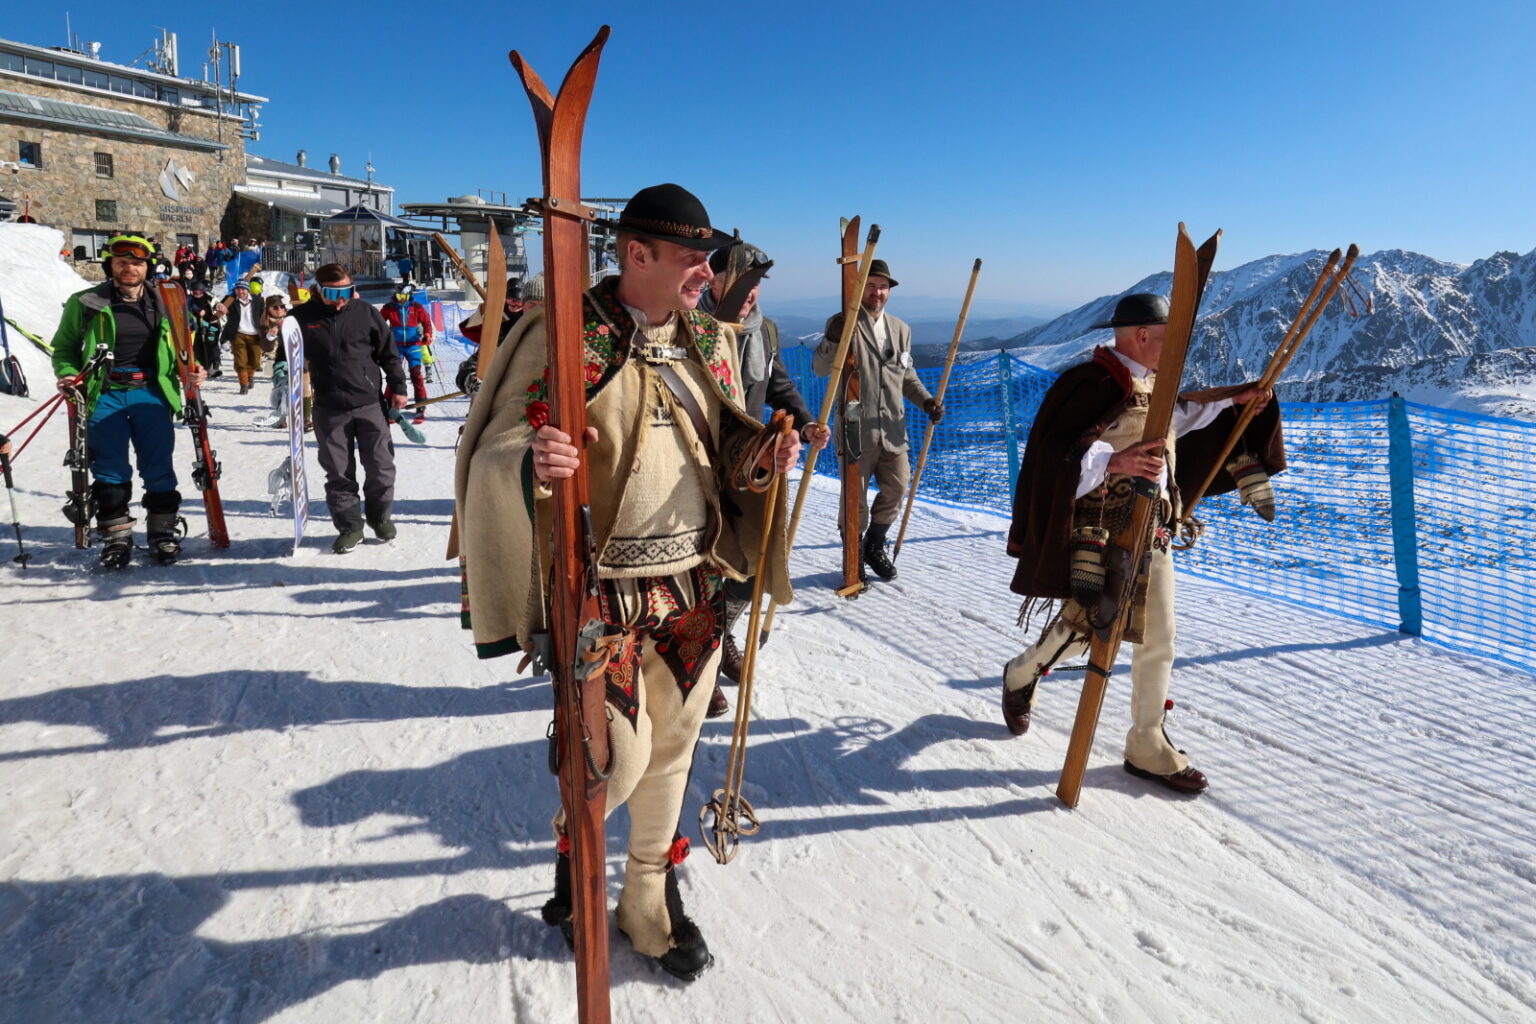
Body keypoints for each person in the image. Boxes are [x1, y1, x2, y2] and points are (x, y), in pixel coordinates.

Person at [456, 183, 799, 981]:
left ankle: (647, 899)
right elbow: (496, 446)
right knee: (616, 762)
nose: (706, 275)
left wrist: (763, 460)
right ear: (636, 254)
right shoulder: (563, 335)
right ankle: (576, 856)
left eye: (709, 260)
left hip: (692, 594)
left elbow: (722, 449)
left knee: (675, 753)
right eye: (691, 259)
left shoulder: (710, 343)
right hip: (598, 595)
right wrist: (535, 460)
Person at [1001, 292, 1280, 794]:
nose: (1178, 345)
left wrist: (1233, 403)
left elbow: (1176, 420)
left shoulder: (1154, 382)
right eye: (1169, 334)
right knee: (1085, 627)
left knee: (1159, 635)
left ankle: (1146, 742)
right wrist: (1116, 462)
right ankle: (1022, 673)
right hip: (1102, 529)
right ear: (1144, 335)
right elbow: (1053, 454)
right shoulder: (1089, 383)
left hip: (1155, 529)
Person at [698, 241, 830, 695]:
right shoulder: (690, 325)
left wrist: (808, 423)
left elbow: (779, 385)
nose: (749, 293)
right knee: (702, 565)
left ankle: (716, 637)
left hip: (750, 467)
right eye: (740, 282)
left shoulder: (765, 332)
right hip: (695, 463)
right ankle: (697, 659)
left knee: (748, 562)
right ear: (712, 279)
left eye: (755, 284)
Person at [49, 234, 206, 568]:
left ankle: (162, 534)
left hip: (151, 392)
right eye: (122, 262)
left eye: (136, 262)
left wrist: (192, 371)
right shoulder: (86, 302)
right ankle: (117, 537)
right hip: (104, 393)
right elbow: (63, 348)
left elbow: (184, 346)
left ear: (147, 266)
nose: (129, 268)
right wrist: (67, 373)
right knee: (109, 467)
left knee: (157, 464)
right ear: (111, 265)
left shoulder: (167, 302)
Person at [812, 258, 941, 582]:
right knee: (853, 500)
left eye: (882, 287)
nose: (877, 292)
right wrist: (832, 337)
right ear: (858, 288)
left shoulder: (901, 329)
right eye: (871, 285)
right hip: (856, 426)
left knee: (897, 488)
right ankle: (852, 556)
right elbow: (820, 367)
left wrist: (926, 401)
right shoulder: (842, 323)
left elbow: (907, 376)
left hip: (893, 430)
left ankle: (874, 544)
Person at [293, 263, 408, 553]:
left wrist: (399, 388)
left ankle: (379, 517)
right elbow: (283, 351)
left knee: (381, 467)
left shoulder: (366, 313)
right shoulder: (302, 318)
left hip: (369, 403)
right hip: (329, 408)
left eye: (347, 290)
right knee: (339, 473)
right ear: (319, 290)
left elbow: (388, 354)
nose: (341, 297)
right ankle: (351, 527)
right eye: (334, 292)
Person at [455, 274, 538, 395]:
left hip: (522, 362)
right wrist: (482, 313)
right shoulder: (497, 314)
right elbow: (468, 330)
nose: (515, 305)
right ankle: (479, 388)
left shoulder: (530, 318)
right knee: (469, 368)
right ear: (505, 298)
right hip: (497, 354)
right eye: (511, 300)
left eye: (519, 301)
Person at [381, 286, 435, 423]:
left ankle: (420, 407)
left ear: (409, 296)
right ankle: (390, 407)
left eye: (404, 297)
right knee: (394, 376)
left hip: (413, 345)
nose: (401, 300)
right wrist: (382, 338)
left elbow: (427, 322)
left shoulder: (416, 307)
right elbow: (379, 324)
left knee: (416, 374)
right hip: (396, 346)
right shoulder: (389, 308)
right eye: (399, 297)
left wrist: (427, 334)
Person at [218, 280, 263, 394]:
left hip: (255, 334)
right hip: (238, 333)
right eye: (238, 289)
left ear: (248, 290)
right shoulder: (230, 300)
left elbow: (263, 315)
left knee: (255, 361)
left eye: (243, 289)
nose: (241, 291)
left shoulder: (258, 300)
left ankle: (250, 376)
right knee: (240, 361)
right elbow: (217, 306)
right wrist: (220, 307)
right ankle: (244, 385)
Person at [186, 280, 222, 380]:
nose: (197, 295)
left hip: (212, 326)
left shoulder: (210, 299)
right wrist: (197, 314)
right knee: (197, 346)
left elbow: (218, 311)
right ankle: (202, 367)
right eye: (195, 292)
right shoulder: (190, 300)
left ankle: (214, 367)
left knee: (211, 343)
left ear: (203, 291)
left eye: (199, 292)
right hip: (197, 327)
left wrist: (206, 321)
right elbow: (188, 312)